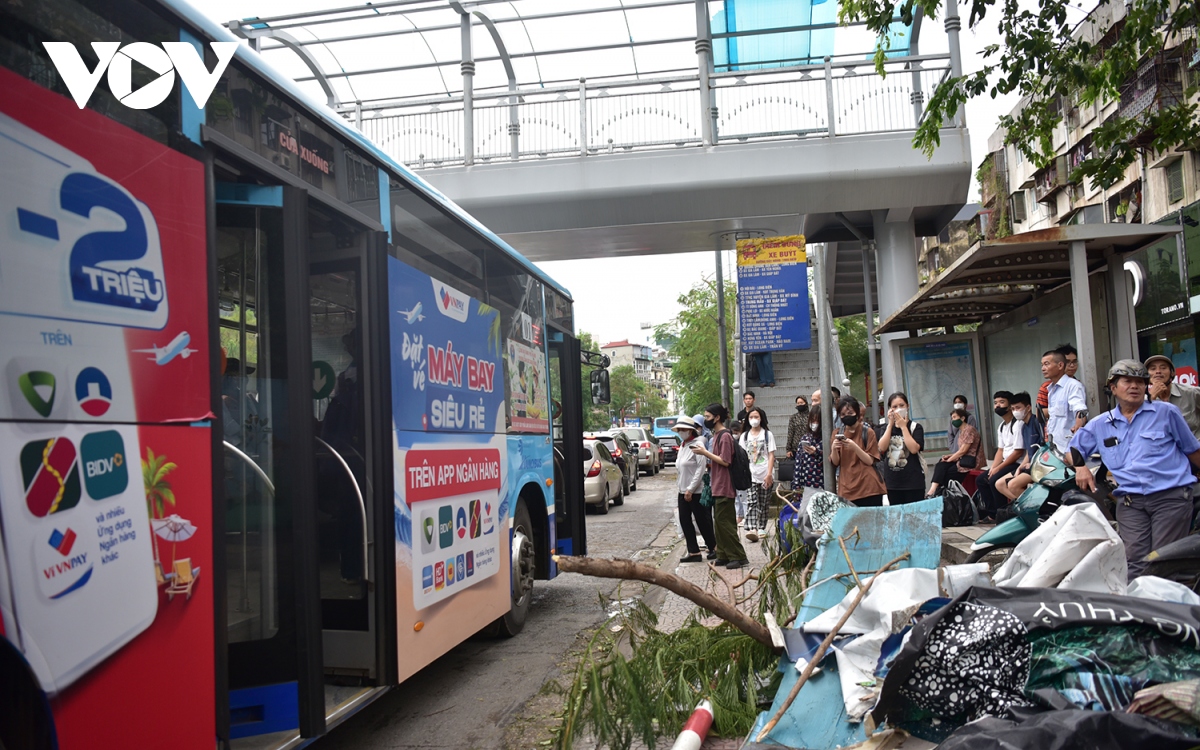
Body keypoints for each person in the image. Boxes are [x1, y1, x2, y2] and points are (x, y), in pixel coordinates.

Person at [1071, 360, 1200, 579]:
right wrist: (1080, 467)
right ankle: (1139, 610)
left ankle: (1169, 611)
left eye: (1140, 382)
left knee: (1163, 561)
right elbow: (1073, 448)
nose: (1135, 386)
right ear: (1113, 388)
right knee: (1134, 562)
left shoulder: (1167, 413)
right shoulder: (1101, 423)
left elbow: (1192, 450)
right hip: (1131, 502)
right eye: (1127, 381)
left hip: (1170, 498)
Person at [693, 403, 749, 569]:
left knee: (726, 524)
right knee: (719, 523)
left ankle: (738, 556)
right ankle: (723, 554)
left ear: (717, 418)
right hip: (717, 485)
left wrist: (704, 453)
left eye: (708, 417)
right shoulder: (716, 435)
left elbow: (725, 461)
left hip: (725, 486)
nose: (706, 420)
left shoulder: (724, 436)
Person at [672, 416, 717, 563]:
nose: (681, 432)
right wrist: (683, 488)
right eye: (679, 430)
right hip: (682, 489)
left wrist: (691, 489)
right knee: (684, 520)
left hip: (696, 491)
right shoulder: (683, 446)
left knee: (702, 520)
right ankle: (693, 551)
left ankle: (713, 547)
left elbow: (700, 468)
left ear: (690, 430)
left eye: (683, 429)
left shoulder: (698, 445)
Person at [829, 395, 887, 506]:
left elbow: (870, 460)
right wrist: (834, 449)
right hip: (847, 488)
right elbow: (835, 462)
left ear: (857, 412)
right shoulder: (837, 433)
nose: (846, 417)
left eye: (850, 413)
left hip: (869, 487)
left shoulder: (868, 432)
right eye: (843, 414)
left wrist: (854, 447)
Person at [977, 390, 1025, 521]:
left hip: (1017, 463)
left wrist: (999, 468)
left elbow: (1018, 452)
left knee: (994, 480)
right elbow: (1000, 450)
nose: (997, 406)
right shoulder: (1002, 426)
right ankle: (993, 514)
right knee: (982, 479)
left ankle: (1003, 514)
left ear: (1010, 406)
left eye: (1002, 402)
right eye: (995, 403)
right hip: (1006, 461)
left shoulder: (1018, 424)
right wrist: (993, 467)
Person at [876, 392, 926, 504]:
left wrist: (903, 426)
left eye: (902, 405)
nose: (899, 409)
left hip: (913, 483)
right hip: (893, 483)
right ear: (890, 409)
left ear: (907, 406)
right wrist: (890, 425)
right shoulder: (886, 428)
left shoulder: (915, 427)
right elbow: (881, 447)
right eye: (894, 406)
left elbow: (914, 449)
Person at [995, 392, 1044, 501]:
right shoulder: (1023, 427)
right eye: (1013, 409)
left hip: (1040, 466)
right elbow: (1028, 452)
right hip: (1029, 465)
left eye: (1018, 408)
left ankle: (1034, 507)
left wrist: (1030, 464)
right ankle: (1021, 506)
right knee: (999, 484)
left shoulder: (1037, 422)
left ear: (1028, 408)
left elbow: (1044, 447)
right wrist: (1020, 468)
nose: (1015, 411)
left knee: (1013, 485)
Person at [927, 406, 984, 497]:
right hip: (963, 459)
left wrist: (950, 459)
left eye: (954, 417)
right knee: (941, 464)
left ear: (962, 418)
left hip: (970, 462)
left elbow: (963, 451)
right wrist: (949, 456)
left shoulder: (969, 430)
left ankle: (938, 493)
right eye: (952, 418)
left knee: (948, 473)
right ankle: (932, 490)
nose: (953, 420)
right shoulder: (961, 431)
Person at [740, 407, 776, 542]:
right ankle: (751, 528)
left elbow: (771, 455)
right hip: (751, 474)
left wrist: (769, 474)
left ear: (761, 418)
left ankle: (762, 527)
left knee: (764, 502)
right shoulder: (744, 436)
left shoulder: (767, 435)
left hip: (765, 472)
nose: (754, 420)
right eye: (751, 417)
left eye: (756, 417)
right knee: (751, 501)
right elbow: (742, 456)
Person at [1146, 355, 1200, 441]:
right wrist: (1152, 397)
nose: (1158, 372)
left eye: (1163, 368)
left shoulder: (1191, 392)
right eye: (1153, 369)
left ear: (1172, 373)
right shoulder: (1143, 401)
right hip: (1165, 452)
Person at [1042, 349, 1087, 452]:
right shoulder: (1051, 390)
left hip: (1068, 449)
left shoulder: (1073, 386)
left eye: (1046, 364)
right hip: (1054, 448)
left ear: (1060, 365)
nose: (1043, 368)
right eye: (1042, 365)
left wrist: (1078, 425)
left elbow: (1080, 409)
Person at [793, 401, 824, 492]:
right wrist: (796, 483)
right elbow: (798, 462)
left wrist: (817, 453)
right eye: (812, 420)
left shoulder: (826, 439)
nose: (814, 423)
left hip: (819, 484)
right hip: (803, 483)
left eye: (817, 420)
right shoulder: (805, 437)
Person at [729, 420, 747, 526]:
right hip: (734, 472)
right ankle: (738, 516)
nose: (735, 433)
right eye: (733, 431)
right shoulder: (730, 441)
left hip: (743, 472)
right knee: (736, 497)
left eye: (737, 431)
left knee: (744, 497)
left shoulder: (744, 440)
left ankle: (745, 516)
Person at [786, 395, 810, 464]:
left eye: (801, 403)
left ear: (806, 403)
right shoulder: (793, 417)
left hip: (809, 447)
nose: (799, 404)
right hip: (795, 449)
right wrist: (788, 449)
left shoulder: (811, 416)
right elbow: (790, 433)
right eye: (798, 403)